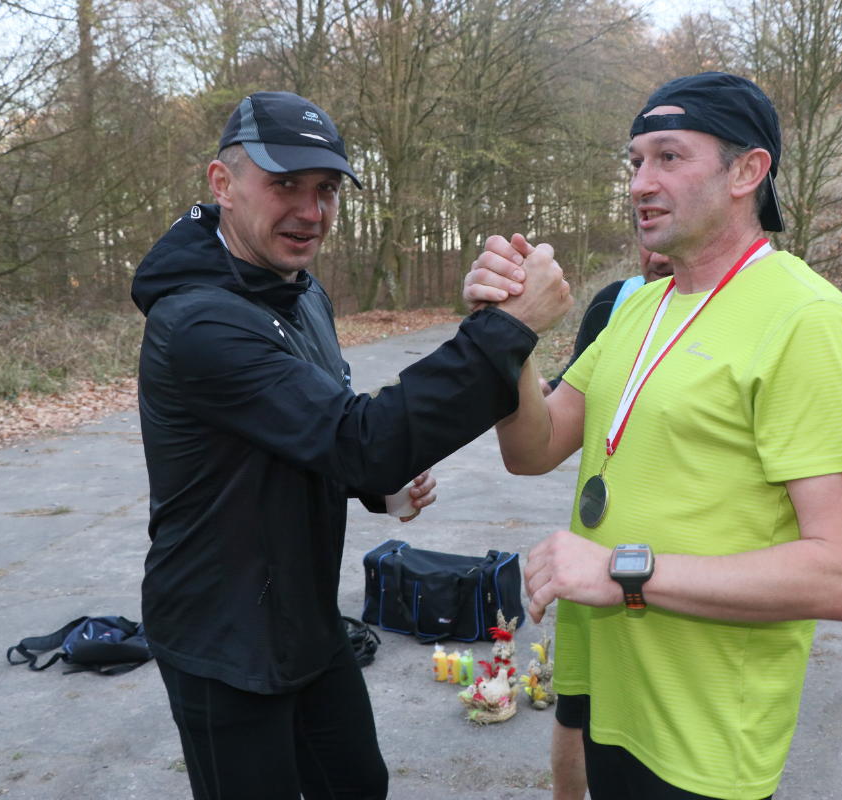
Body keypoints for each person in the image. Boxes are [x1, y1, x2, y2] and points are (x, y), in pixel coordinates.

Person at [131, 91, 572, 800]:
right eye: (285, 184)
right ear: (223, 184)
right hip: (222, 638)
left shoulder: (301, 293)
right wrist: (507, 328)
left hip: (304, 616)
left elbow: (315, 427)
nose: (311, 210)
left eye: (327, 189)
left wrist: (375, 486)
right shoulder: (198, 323)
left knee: (359, 783)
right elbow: (357, 438)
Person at [464, 72, 842, 800]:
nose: (639, 184)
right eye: (635, 162)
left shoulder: (806, 321)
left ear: (746, 172)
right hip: (611, 690)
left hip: (704, 731)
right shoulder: (642, 308)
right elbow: (532, 450)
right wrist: (509, 334)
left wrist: (622, 571)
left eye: (669, 157)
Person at [546, 245, 673, 392]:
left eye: (676, 239)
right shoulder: (613, 299)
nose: (658, 258)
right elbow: (574, 381)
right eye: (649, 240)